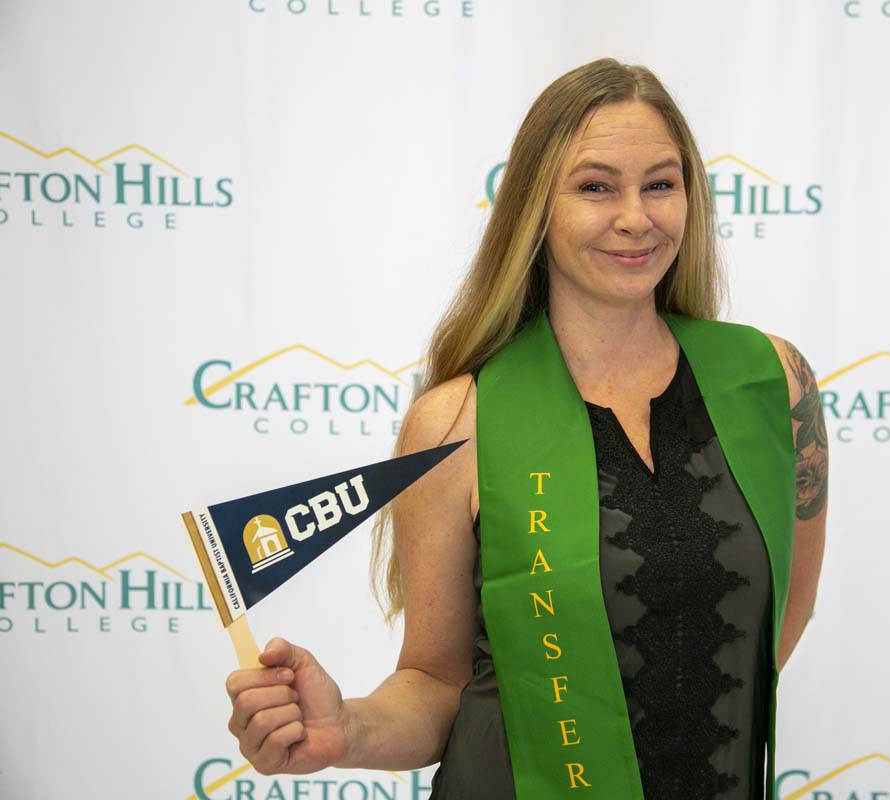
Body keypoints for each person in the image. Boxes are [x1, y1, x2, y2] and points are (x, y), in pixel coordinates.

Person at [224, 58, 828, 800]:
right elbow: (437, 681)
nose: (636, 217)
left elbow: (776, 625)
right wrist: (345, 729)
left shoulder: (774, 380)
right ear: (535, 208)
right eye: (596, 186)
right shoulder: (457, 423)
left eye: (661, 184)